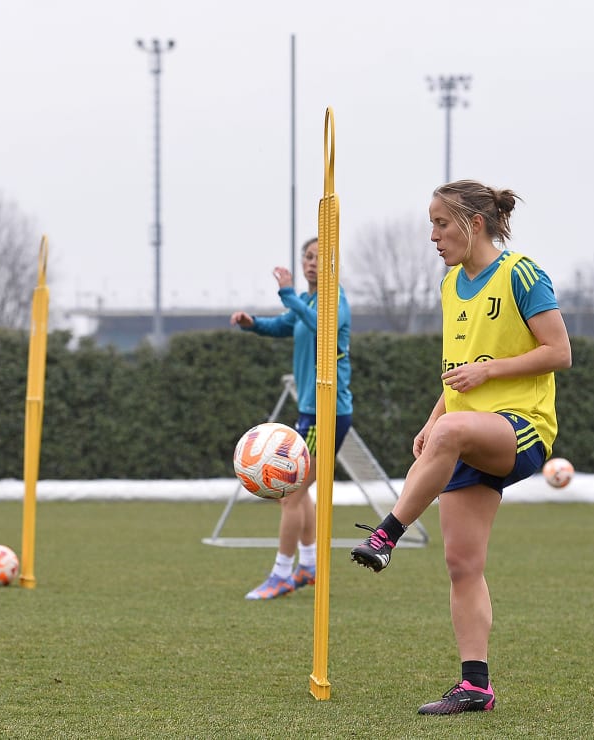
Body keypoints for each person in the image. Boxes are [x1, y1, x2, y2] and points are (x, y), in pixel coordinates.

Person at [348, 180, 571, 715]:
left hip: (522, 427)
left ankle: (387, 533)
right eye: (431, 224)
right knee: (462, 563)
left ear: (474, 224)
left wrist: (484, 378)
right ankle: (476, 686)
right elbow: (457, 376)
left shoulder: (522, 273)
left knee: (449, 438)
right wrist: (433, 421)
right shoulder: (451, 285)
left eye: (441, 223)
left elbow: (559, 351)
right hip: (466, 430)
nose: (433, 236)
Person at [230, 237, 352, 600]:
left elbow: (320, 325)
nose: (311, 263)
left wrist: (287, 294)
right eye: (307, 257)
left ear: (332, 264)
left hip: (327, 413)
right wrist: (253, 324)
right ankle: (309, 566)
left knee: (291, 493)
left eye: (319, 258)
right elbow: (286, 325)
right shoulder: (308, 302)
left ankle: (283, 573)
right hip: (309, 411)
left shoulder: (334, 301)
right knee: (297, 493)